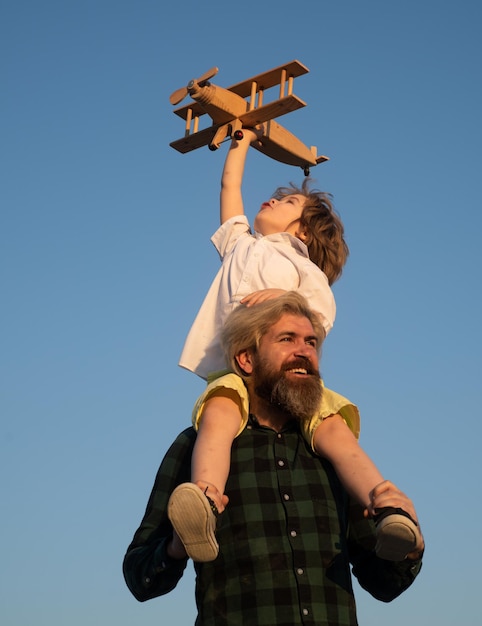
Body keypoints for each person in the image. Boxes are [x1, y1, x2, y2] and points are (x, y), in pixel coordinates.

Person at [173, 128, 421, 562]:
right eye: (273, 196)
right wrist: (241, 141)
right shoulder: (241, 244)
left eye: (287, 202)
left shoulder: (301, 264)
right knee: (217, 416)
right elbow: (229, 187)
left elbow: (320, 316)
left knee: (334, 433)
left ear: (304, 230)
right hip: (235, 371)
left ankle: (387, 506)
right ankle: (206, 503)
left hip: (290, 375)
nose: (270, 200)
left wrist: (284, 300)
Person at [123, 293, 425, 626]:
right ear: (246, 360)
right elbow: (139, 576)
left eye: (311, 342)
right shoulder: (196, 446)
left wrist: (410, 552)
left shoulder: (332, 453)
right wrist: (177, 547)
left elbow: (383, 583)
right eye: (287, 339)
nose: (304, 351)